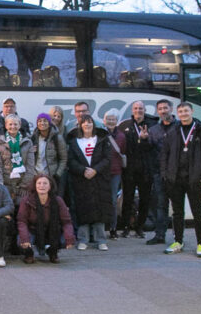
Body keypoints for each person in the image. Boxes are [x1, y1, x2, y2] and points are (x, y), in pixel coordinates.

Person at [161, 102, 201, 258]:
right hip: (175, 179)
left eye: (186, 111)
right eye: (180, 111)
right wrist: (165, 174)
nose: (183, 114)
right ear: (177, 114)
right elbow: (164, 154)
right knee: (177, 213)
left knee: (198, 213)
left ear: (192, 111)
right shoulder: (173, 132)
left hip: (194, 180)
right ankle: (178, 241)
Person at [67, 114, 112, 251]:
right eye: (84, 123)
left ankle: (101, 240)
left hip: (99, 179)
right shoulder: (74, 142)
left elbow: (107, 158)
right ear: (80, 125)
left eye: (90, 122)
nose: (87, 125)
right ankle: (83, 240)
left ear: (94, 124)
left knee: (100, 209)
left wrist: (95, 170)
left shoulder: (102, 139)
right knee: (83, 209)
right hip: (81, 180)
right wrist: (82, 170)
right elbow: (71, 161)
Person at [118, 101, 157, 238]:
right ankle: (126, 227)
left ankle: (140, 227)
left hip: (146, 170)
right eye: (136, 108)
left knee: (145, 199)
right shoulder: (125, 125)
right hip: (129, 170)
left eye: (141, 108)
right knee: (127, 199)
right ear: (132, 110)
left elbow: (154, 147)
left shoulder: (152, 125)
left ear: (144, 110)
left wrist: (145, 140)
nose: (138, 110)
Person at [17, 174, 75, 264]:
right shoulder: (27, 200)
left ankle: (53, 252)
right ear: (35, 185)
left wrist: (69, 237)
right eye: (39, 183)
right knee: (21, 241)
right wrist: (25, 238)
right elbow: (22, 221)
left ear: (50, 186)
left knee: (64, 240)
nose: (42, 186)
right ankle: (29, 254)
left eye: (45, 183)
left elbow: (66, 222)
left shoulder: (58, 200)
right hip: (33, 230)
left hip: (52, 231)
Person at [146, 99, 176, 245]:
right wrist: (143, 140)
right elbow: (149, 152)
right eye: (160, 109)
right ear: (157, 111)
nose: (163, 111)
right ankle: (160, 235)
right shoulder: (153, 130)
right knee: (161, 206)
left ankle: (178, 237)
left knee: (177, 207)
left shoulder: (180, 127)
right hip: (160, 174)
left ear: (171, 109)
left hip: (178, 173)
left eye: (166, 108)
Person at [0, 114, 35, 205]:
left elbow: (30, 166)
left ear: (19, 125)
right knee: (7, 211)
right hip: (5, 184)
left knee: (21, 210)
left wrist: (24, 186)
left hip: (22, 186)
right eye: (10, 124)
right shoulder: (0, 142)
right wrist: (0, 185)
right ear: (6, 125)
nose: (13, 127)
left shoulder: (27, 142)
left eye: (15, 124)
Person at [103, 109, 126, 240]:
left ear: (117, 121)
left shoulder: (122, 136)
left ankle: (113, 228)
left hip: (115, 172)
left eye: (113, 119)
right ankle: (101, 228)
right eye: (108, 119)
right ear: (104, 121)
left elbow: (123, 152)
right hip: (101, 172)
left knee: (112, 201)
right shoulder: (100, 134)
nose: (111, 121)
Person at [31, 113, 67, 188]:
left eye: (45, 121)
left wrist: (57, 174)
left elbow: (63, 159)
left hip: (51, 177)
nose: (42, 123)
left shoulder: (57, 138)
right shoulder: (33, 138)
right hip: (36, 176)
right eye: (40, 121)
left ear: (49, 123)